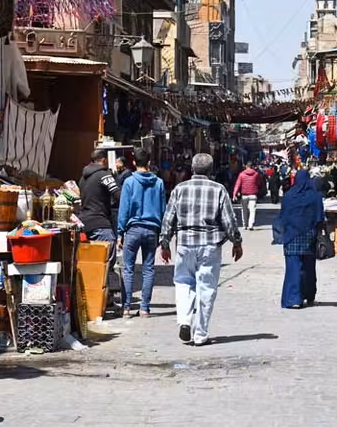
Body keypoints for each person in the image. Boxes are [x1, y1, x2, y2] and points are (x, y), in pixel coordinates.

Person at [160, 153, 243, 346]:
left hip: (184, 244)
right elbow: (229, 220)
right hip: (210, 245)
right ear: (210, 170)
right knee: (206, 288)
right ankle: (200, 334)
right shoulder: (219, 189)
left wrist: (164, 243)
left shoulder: (180, 189)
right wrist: (236, 242)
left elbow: (168, 218)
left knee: (182, 282)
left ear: (193, 168)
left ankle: (184, 320)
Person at [117, 148, 166, 318]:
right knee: (148, 269)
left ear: (133, 163)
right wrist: (161, 233)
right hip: (152, 229)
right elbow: (162, 209)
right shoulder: (158, 182)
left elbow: (124, 209)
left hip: (133, 229)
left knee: (128, 269)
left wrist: (120, 232)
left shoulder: (129, 182)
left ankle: (126, 308)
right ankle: (144, 308)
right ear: (149, 163)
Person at [277, 170, 325, 309]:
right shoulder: (315, 196)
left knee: (293, 267)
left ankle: (293, 298)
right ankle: (308, 295)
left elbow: (283, 216)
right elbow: (319, 216)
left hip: (291, 236)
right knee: (309, 267)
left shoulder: (289, 196)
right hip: (309, 235)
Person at [79, 150, 120, 265]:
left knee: (93, 262)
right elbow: (118, 195)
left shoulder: (83, 178)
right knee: (107, 258)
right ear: (103, 160)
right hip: (100, 223)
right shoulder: (105, 175)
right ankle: (102, 282)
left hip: (85, 223)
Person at [232, 161, 263, 230]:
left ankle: (245, 225)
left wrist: (234, 194)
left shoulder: (241, 174)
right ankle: (250, 225)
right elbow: (259, 183)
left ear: (246, 166)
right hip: (253, 195)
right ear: (252, 166)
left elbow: (237, 184)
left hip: (244, 195)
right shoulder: (256, 174)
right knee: (252, 211)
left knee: (244, 210)